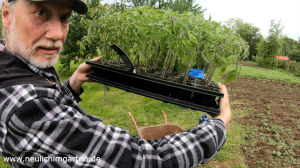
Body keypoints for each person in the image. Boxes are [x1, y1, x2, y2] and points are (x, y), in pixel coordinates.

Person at [0, 0, 232, 167]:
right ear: (6, 14)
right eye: (41, 12)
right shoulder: (24, 106)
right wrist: (218, 125)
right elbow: (137, 160)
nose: (57, 33)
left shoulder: (17, 71)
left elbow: (53, 110)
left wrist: (71, 86)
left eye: (64, 17)